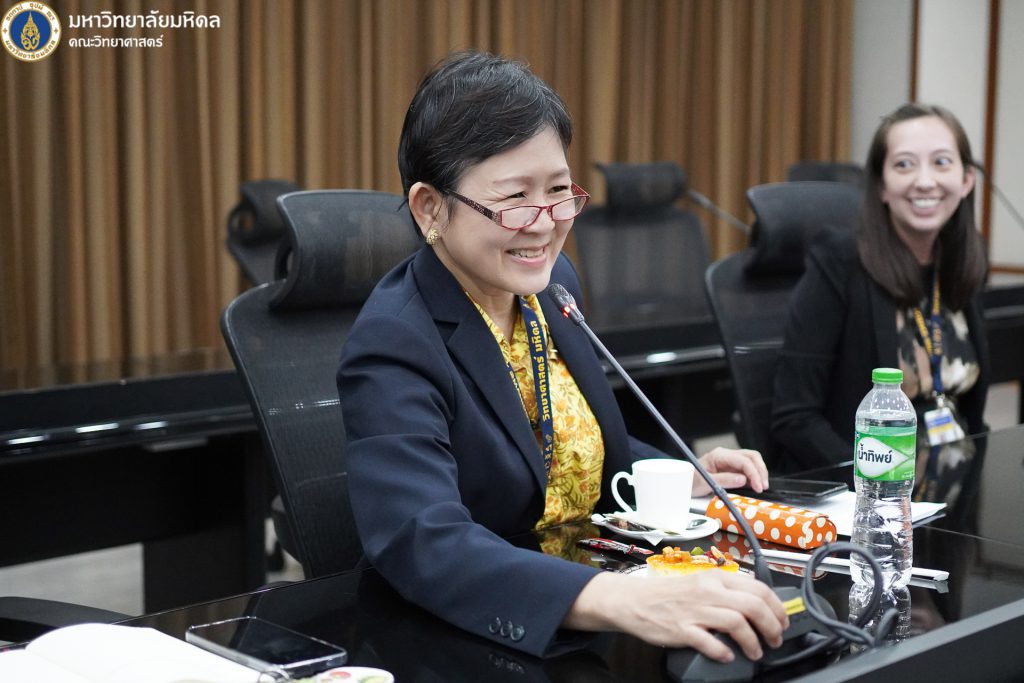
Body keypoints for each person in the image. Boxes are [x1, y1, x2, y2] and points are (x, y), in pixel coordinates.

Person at [337, 50, 787, 662]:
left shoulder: (551, 286)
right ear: (430, 208)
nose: (545, 225)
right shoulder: (395, 339)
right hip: (461, 636)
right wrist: (620, 599)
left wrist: (675, 476)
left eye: (558, 192)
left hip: (575, 609)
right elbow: (423, 541)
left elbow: (566, 446)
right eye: (516, 198)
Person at [771, 103, 990, 476]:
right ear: (881, 186)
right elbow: (794, 417)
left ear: (966, 180)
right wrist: (876, 483)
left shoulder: (961, 262)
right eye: (904, 164)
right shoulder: (839, 262)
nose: (925, 181)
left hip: (953, 482)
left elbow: (971, 411)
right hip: (869, 490)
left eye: (941, 162)